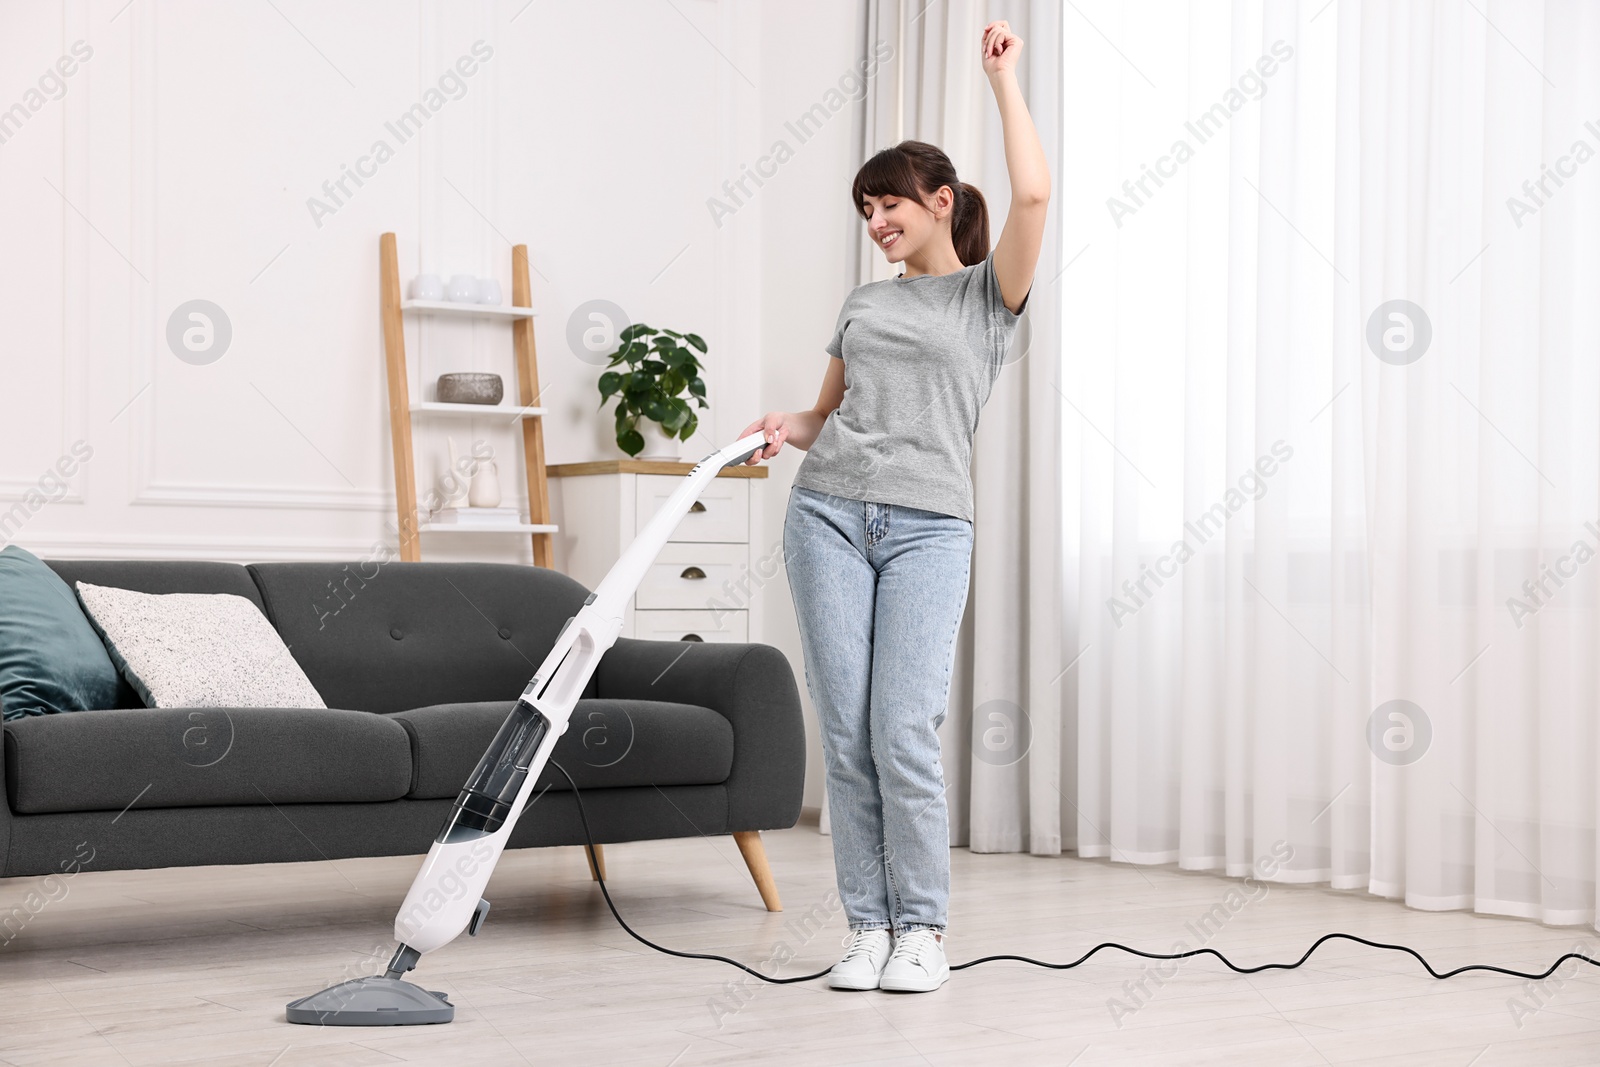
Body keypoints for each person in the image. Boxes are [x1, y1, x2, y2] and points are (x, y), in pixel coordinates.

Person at [739, 20, 1049, 993]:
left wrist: (1003, 81)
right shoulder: (861, 306)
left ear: (939, 202)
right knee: (844, 732)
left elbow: (1035, 193)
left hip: (928, 528)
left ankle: (923, 928)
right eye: (866, 207)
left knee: (901, 727)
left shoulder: (986, 298)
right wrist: (783, 425)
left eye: (890, 204)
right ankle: (865, 927)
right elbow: (825, 412)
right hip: (826, 513)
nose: (876, 221)